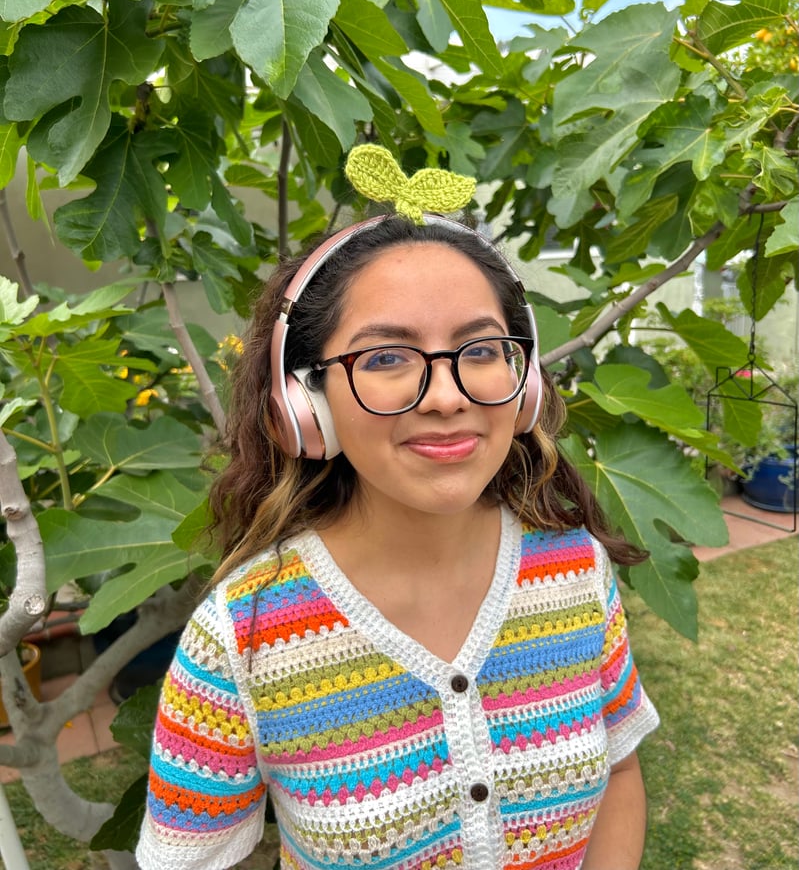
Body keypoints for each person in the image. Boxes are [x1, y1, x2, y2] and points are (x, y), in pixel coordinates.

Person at [136, 145, 659, 870]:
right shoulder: (240, 638)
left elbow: (621, 771)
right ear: (304, 401)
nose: (446, 397)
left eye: (479, 351)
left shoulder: (575, 571)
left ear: (523, 383)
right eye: (385, 358)